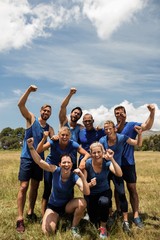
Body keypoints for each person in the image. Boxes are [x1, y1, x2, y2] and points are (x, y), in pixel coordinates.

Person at [27, 137, 90, 238]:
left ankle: (74, 227)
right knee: (48, 232)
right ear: (60, 164)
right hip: (54, 207)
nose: (66, 164)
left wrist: (82, 176)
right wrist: (31, 147)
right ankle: (58, 218)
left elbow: (86, 192)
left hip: (67, 206)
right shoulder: (55, 170)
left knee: (82, 202)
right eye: (64, 162)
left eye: (68, 162)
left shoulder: (74, 176)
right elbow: (39, 161)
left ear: (72, 164)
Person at [16, 85, 54, 233]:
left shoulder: (49, 128)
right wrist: (29, 91)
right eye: (44, 110)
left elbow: (54, 141)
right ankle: (20, 218)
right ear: (40, 111)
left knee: (35, 187)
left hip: (39, 160)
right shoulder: (31, 119)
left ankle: (30, 212)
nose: (46, 113)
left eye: (49, 112)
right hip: (27, 157)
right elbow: (20, 104)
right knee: (24, 186)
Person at [114, 104, 155, 228]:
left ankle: (136, 215)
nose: (119, 115)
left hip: (129, 163)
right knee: (118, 190)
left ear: (125, 113)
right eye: (117, 113)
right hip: (117, 164)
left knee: (132, 189)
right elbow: (118, 132)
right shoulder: (114, 128)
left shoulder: (131, 125)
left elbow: (147, 126)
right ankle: (119, 211)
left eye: (121, 113)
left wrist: (152, 112)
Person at [99, 120, 142, 233]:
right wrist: (105, 155)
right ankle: (110, 216)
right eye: (106, 129)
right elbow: (102, 154)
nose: (107, 131)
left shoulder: (122, 138)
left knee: (121, 193)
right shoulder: (102, 140)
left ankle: (125, 221)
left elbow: (138, 144)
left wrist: (140, 134)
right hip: (106, 169)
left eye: (109, 128)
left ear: (115, 129)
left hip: (117, 168)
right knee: (107, 193)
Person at [37, 126, 90, 216]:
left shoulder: (73, 144)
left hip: (65, 165)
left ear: (69, 136)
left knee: (69, 188)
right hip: (52, 166)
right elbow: (39, 150)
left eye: (66, 135)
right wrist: (44, 138)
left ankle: (68, 212)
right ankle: (44, 214)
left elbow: (87, 154)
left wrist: (83, 160)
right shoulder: (54, 141)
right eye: (62, 135)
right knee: (47, 189)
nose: (64, 137)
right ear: (59, 135)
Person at [83, 142, 122, 239]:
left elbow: (119, 174)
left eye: (99, 152)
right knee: (93, 221)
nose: (96, 155)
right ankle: (99, 217)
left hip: (104, 192)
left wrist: (112, 158)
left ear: (103, 152)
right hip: (91, 194)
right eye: (94, 153)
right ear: (90, 153)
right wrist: (90, 184)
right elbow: (84, 187)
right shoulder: (87, 164)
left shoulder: (107, 163)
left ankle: (103, 227)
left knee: (104, 202)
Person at [59, 87, 83, 167]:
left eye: (78, 114)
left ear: (79, 117)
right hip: (60, 156)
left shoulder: (80, 128)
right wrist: (70, 94)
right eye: (75, 112)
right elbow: (63, 107)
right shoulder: (64, 122)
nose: (76, 114)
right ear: (71, 113)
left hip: (73, 159)